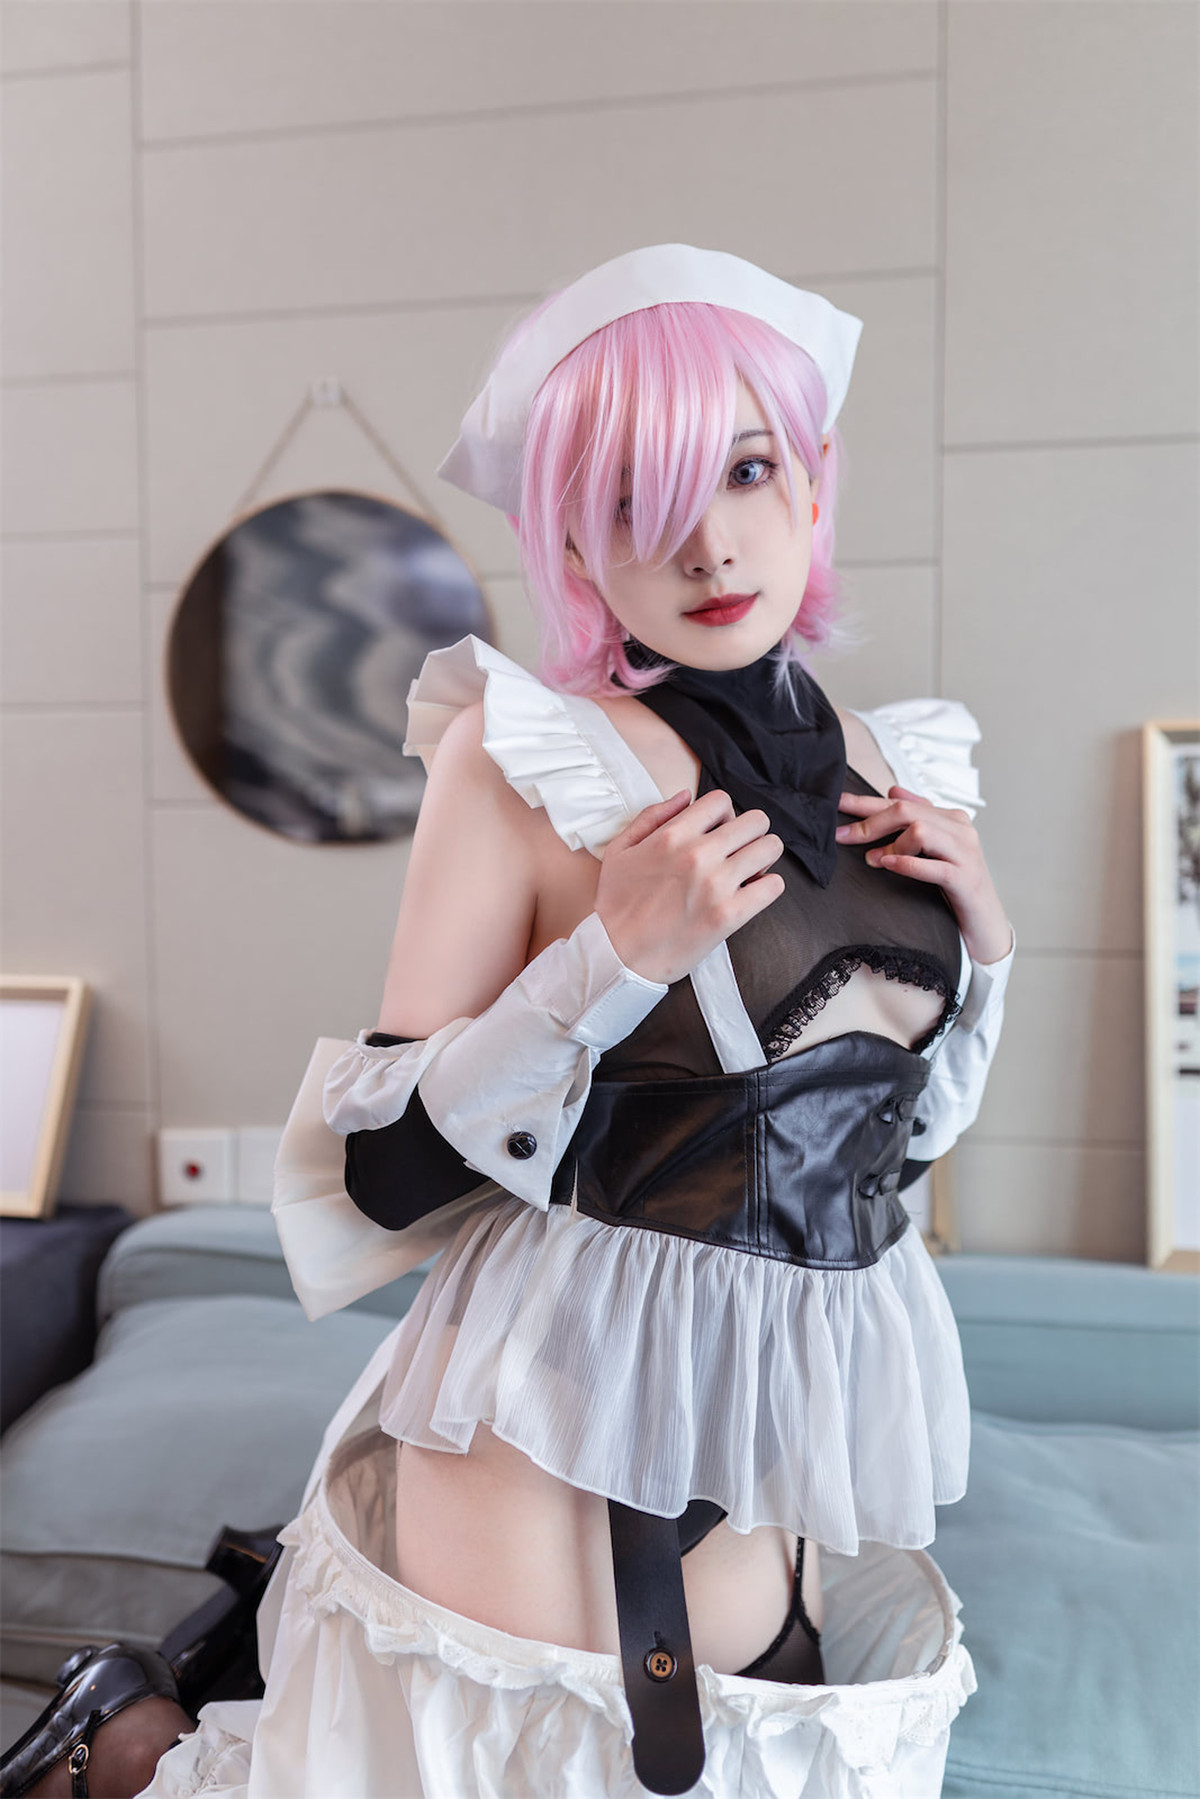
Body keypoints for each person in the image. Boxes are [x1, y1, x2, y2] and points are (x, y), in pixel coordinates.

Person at [10, 244, 1014, 1799]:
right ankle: (125, 1752)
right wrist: (608, 959)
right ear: (572, 543)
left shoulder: (910, 767)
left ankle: (131, 1738)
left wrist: (988, 949)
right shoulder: (530, 758)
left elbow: (891, 1148)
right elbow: (387, 1174)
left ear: (814, 479)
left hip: (773, 1465)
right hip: (540, 1456)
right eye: (632, 499)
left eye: (746, 469)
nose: (705, 539)